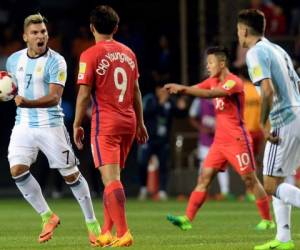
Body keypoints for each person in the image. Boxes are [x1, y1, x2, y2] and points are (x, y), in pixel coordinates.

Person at [5, 13, 100, 246]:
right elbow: (11, 87)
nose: (41, 36)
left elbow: (54, 97)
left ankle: (92, 223)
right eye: (35, 33)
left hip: (50, 125)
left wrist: (26, 102)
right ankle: (48, 216)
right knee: (17, 170)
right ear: (25, 36)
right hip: (23, 124)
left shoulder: (56, 61)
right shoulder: (13, 60)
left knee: (70, 175)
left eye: (44, 32)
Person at [164, 46, 274, 232]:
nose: (208, 66)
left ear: (222, 63)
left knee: (250, 180)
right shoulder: (212, 80)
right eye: (207, 63)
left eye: (211, 62)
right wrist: (182, 90)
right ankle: (187, 219)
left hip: (238, 140)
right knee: (204, 178)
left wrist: (182, 89)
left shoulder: (234, 82)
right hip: (219, 142)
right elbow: (198, 89)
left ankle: (267, 219)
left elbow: (209, 94)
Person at [73, 5, 148, 247]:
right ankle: (106, 231)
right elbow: (136, 90)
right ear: (115, 28)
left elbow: (84, 94)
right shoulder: (129, 53)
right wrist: (141, 122)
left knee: (110, 179)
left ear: (92, 28)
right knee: (112, 179)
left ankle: (124, 232)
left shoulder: (89, 55)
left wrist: (76, 123)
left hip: (106, 123)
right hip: (128, 121)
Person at [237, 9, 300, 250]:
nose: (238, 35)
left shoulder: (255, 52)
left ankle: (284, 237)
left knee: (271, 185)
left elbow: (267, 90)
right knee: (281, 179)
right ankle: (284, 238)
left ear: (243, 30)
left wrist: (264, 125)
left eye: (238, 30)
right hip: (298, 113)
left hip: (284, 120)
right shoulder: (278, 49)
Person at [137, 82, 186, 201]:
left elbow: (179, 114)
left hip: (163, 140)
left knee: (164, 165)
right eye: (162, 90)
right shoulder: (150, 99)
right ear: (157, 90)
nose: (164, 93)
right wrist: (160, 104)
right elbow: (145, 114)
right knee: (143, 163)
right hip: (148, 139)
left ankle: (162, 190)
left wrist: (183, 108)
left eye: (166, 90)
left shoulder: (170, 102)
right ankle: (143, 188)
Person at [189, 97, 234, 201]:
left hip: (221, 139)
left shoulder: (222, 97)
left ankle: (225, 192)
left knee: (222, 166)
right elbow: (192, 117)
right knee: (203, 165)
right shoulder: (198, 100)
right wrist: (201, 128)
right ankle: (202, 192)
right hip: (205, 141)